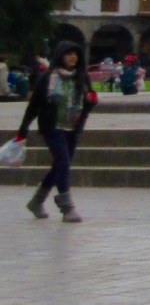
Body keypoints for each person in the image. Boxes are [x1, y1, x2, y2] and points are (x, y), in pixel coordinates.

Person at [14, 41, 95, 222]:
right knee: (63, 163)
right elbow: (34, 106)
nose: (73, 57)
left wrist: (91, 101)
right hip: (52, 127)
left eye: (75, 54)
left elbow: (89, 102)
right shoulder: (47, 77)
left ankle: (37, 201)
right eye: (68, 54)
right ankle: (67, 207)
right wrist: (22, 130)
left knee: (59, 166)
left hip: (72, 128)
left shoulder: (82, 77)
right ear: (60, 56)